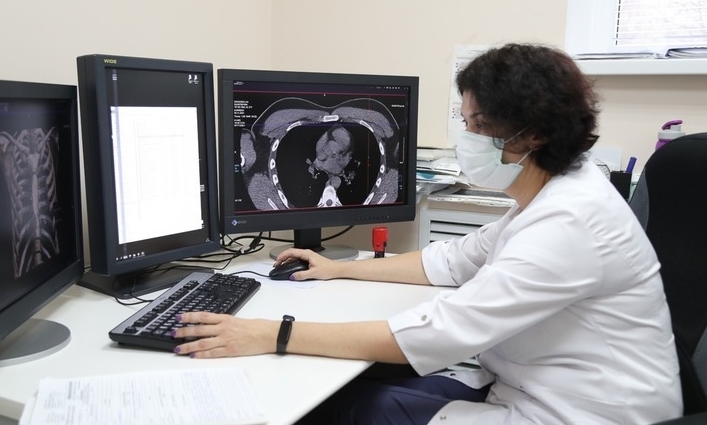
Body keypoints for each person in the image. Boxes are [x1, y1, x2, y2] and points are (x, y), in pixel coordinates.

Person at [172, 43, 683, 424]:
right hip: (534, 386)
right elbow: (451, 260)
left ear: (534, 133)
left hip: (583, 414)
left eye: (477, 124)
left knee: (345, 407)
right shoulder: (556, 194)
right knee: (359, 389)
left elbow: (438, 333)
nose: (466, 138)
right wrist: (337, 269)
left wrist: (271, 333)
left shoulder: (569, 223)